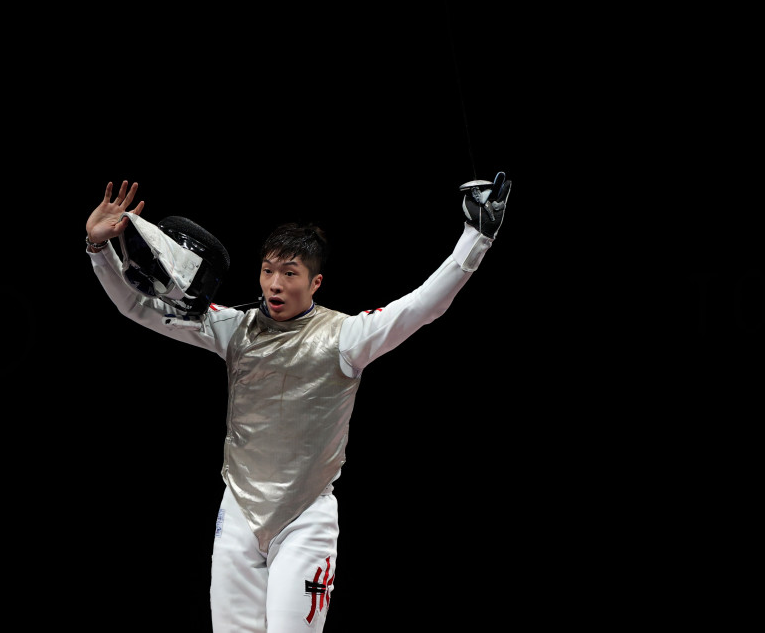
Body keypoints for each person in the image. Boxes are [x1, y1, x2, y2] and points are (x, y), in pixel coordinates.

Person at [84, 173, 512, 632]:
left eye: (289, 273)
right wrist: (98, 247)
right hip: (239, 511)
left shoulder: (346, 337)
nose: (275, 284)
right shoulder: (235, 329)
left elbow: (421, 307)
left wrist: (476, 238)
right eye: (268, 270)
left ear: (315, 281)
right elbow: (139, 307)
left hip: (305, 517)